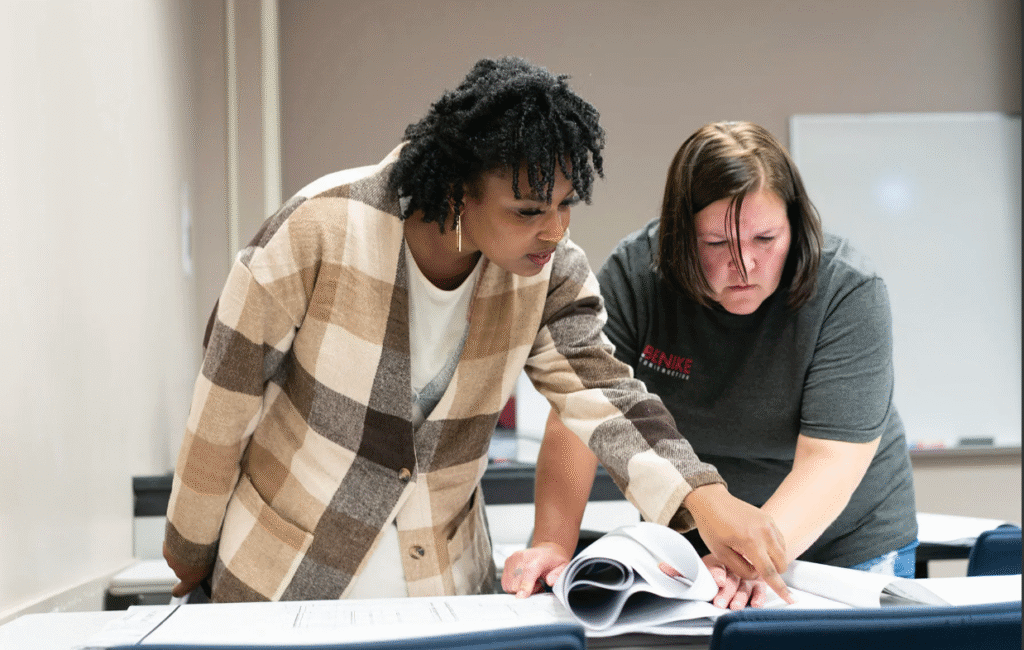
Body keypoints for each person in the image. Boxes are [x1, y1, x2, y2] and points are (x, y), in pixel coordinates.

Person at [162, 61, 793, 603]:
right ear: (459, 192)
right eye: (527, 211)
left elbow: (606, 397)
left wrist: (703, 499)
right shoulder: (319, 231)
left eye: (566, 203)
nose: (554, 230)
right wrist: (188, 552)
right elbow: (225, 403)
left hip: (444, 586)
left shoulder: (551, 271)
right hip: (282, 582)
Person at [507, 121, 917, 609]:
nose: (743, 266)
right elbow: (580, 414)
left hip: (842, 543)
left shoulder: (848, 291)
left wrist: (748, 559)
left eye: (765, 238)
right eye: (717, 244)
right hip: (693, 539)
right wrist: (554, 543)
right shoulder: (639, 277)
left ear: (795, 224)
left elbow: (829, 462)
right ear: (680, 238)